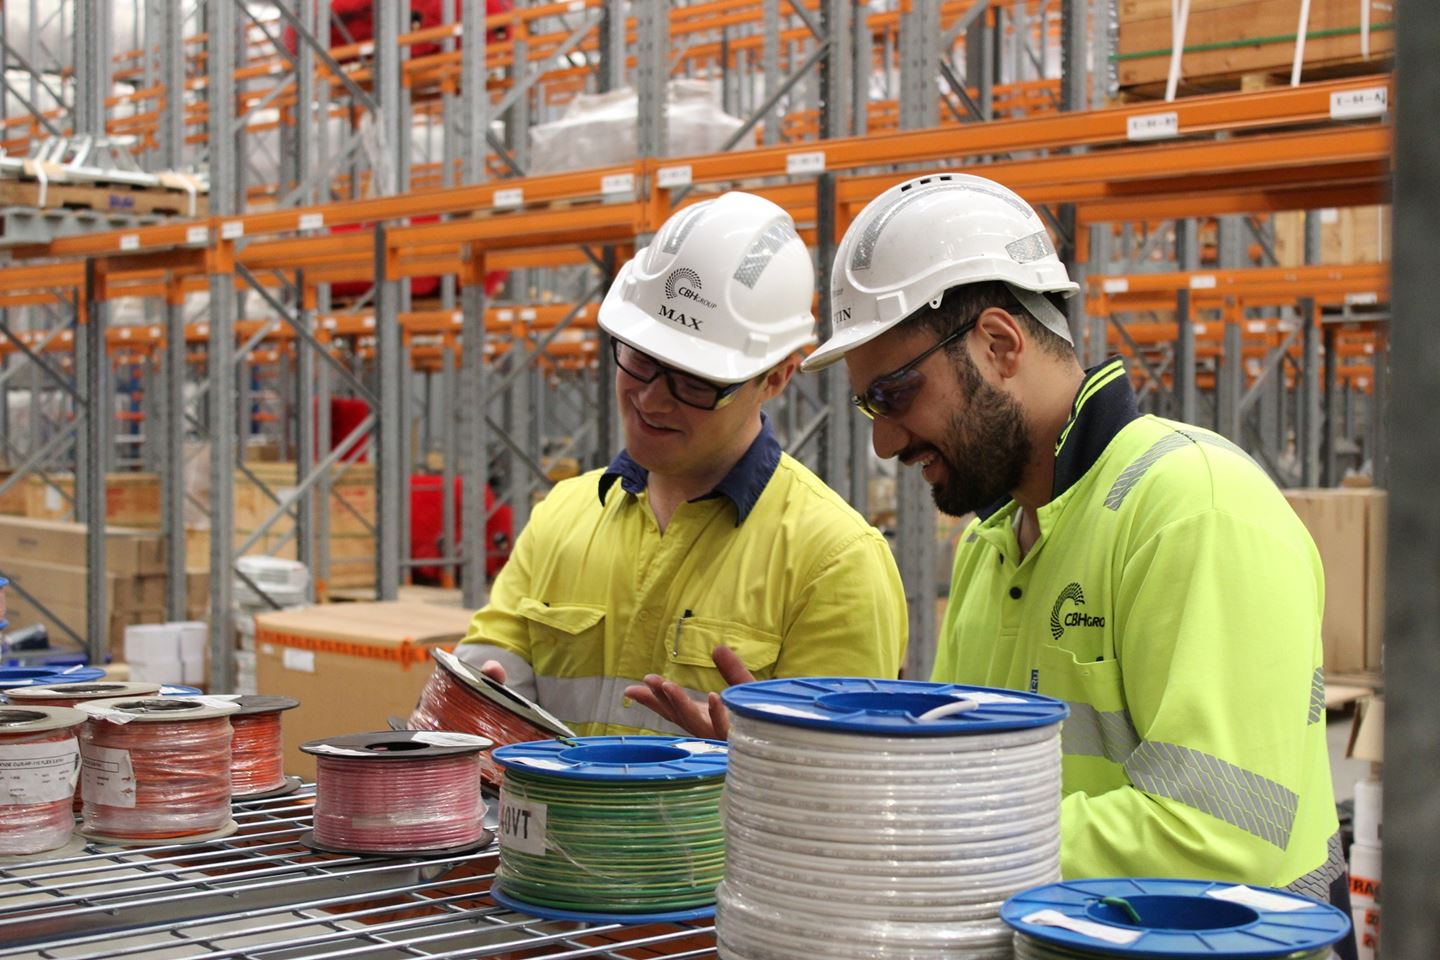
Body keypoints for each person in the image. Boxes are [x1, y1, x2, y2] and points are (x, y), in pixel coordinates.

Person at [798, 171, 1352, 934]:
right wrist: (794, 771)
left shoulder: (1195, 507)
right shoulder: (993, 547)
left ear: (998, 344)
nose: (884, 440)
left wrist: (932, 834)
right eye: (869, 405)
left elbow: (1223, 838)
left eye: (894, 394)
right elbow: (962, 781)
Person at [456, 191, 907, 737]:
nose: (651, 399)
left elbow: (838, 793)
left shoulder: (833, 563)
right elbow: (478, 697)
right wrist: (473, 708)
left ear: (776, 377)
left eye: (694, 381)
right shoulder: (561, 516)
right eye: (641, 359)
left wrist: (756, 762)